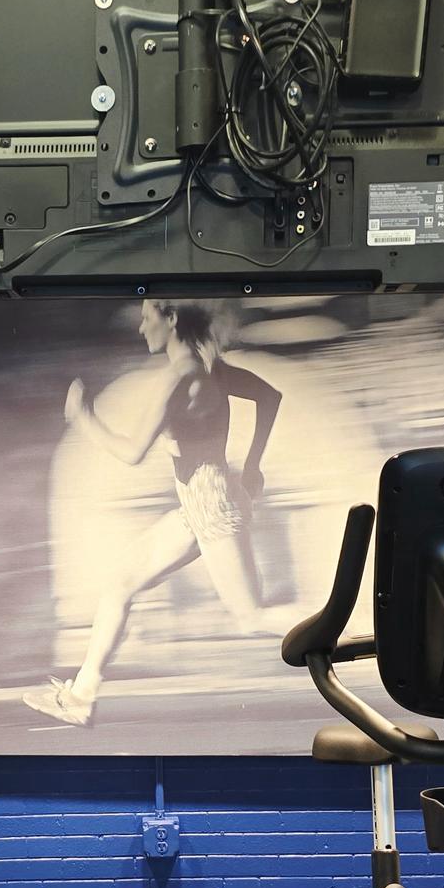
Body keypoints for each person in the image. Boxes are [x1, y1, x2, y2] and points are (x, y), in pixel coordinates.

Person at [24, 299, 287, 727]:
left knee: (250, 616)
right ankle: (81, 695)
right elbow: (269, 397)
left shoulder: (179, 379)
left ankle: (361, 636)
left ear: (171, 319)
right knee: (119, 584)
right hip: (201, 502)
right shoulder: (209, 369)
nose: (142, 327)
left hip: (211, 505)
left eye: (148, 318)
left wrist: (83, 418)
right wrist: (252, 464)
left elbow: (131, 452)